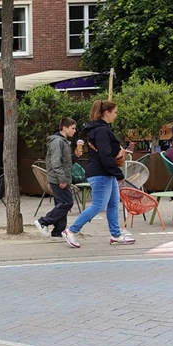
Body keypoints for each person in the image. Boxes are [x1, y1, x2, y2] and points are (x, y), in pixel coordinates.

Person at [63, 100, 134, 248]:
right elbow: (105, 155)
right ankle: (72, 230)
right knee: (99, 205)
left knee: (113, 203)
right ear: (106, 112)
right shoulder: (102, 131)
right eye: (114, 112)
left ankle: (116, 235)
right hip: (101, 172)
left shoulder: (99, 129)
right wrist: (118, 173)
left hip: (105, 172)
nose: (116, 115)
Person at [34, 117, 77, 240]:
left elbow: (65, 162)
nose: (74, 131)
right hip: (58, 178)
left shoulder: (62, 141)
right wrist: (62, 179)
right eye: (72, 128)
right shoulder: (57, 142)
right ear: (64, 128)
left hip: (60, 177)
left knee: (61, 203)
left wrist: (75, 156)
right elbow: (56, 162)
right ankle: (43, 221)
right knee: (67, 202)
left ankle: (58, 231)